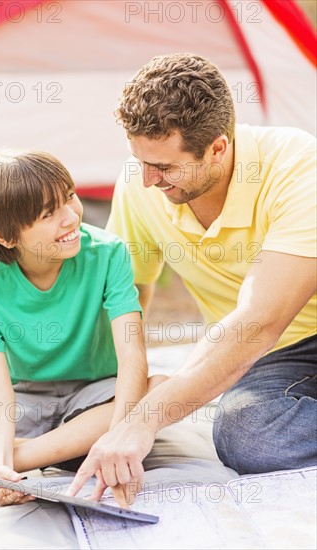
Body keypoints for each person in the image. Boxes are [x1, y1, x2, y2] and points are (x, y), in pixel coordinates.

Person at [67, 53, 317, 505]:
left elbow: (258, 322)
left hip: (264, 333)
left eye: (164, 167)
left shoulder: (297, 167)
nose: (146, 179)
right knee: (248, 434)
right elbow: (124, 303)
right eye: (139, 160)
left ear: (218, 148)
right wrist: (101, 404)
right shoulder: (140, 182)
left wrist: (145, 419)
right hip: (279, 359)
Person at [0, 151, 164, 505]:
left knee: (155, 392)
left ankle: (0, 459)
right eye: (49, 214)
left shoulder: (109, 253)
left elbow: (132, 356)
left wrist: (120, 436)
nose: (71, 217)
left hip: (97, 392)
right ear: (5, 237)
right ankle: (57, 448)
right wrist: (4, 471)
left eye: (69, 196)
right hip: (28, 397)